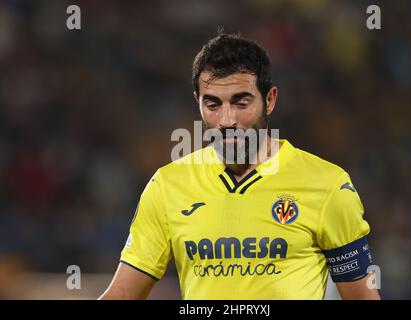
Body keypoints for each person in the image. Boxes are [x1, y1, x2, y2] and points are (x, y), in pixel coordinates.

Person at [99, 33, 380, 300]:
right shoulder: (167, 186)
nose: (226, 119)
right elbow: (123, 294)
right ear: (198, 102)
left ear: (269, 100)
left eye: (241, 102)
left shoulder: (327, 185)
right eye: (213, 104)